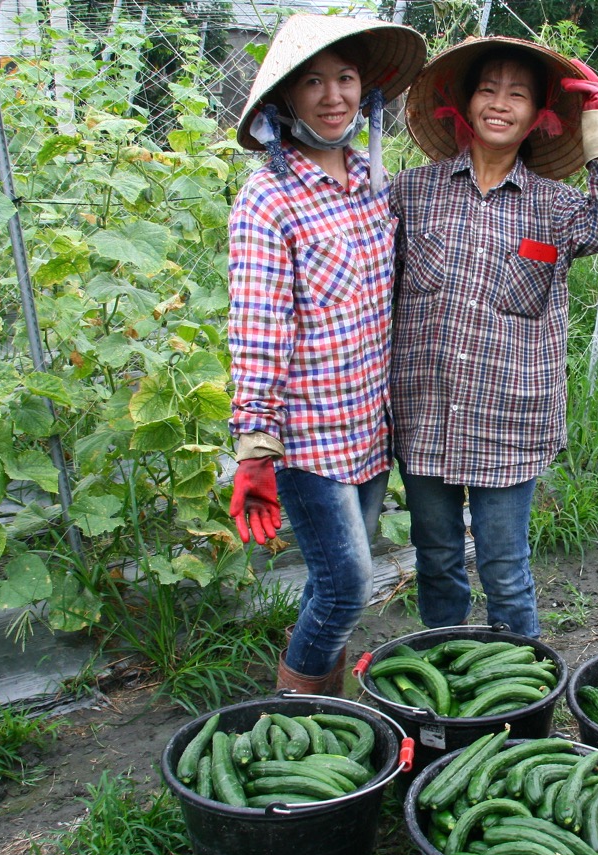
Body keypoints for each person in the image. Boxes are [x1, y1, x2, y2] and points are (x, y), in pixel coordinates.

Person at [389, 37, 598, 638]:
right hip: (424, 413)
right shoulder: (411, 193)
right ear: (462, 103)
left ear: (540, 116)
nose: (500, 104)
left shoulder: (557, 209)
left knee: (506, 571)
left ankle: (519, 697)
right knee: (437, 564)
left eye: (518, 94)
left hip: (509, 421)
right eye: (488, 89)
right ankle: (446, 675)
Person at [226, 14, 425, 694]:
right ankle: (294, 728)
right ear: (285, 99)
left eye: (344, 78)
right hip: (307, 442)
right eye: (313, 81)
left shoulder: (370, 181)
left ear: (364, 88)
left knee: (332, 586)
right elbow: (258, 322)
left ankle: (325, 719)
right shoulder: (269, 197)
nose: (333, 95)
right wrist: (255, 446)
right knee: (346, 590)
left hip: (367, 427)